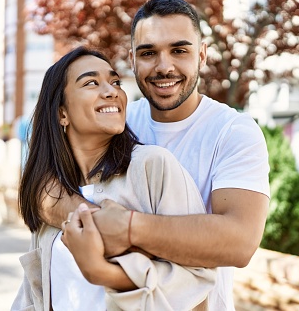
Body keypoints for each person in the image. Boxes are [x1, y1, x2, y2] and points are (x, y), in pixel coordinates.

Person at [40, 0, 271, 311]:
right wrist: (96, 222)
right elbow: (43, 184)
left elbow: (240, 242)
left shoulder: (233, 132)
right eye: (149, 53)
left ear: (201, 55)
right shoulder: (117, 120)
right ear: (133, 60)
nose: (165, 67)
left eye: (179, 50)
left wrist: (128, 227)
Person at [11, 46, 216, 311]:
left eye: (115, 81)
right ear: (62, 113)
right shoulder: (52, 194)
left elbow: (194, 287)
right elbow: (35, 295)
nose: (112, 91)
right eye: (91, 82)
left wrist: (104, 271)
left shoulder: (152, 166)